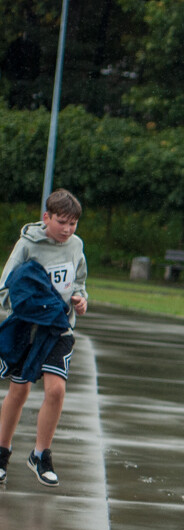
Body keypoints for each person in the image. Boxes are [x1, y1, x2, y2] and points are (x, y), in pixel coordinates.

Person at [0, 189, 89, 487]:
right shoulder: (27, 245)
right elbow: (6, 288)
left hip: (59, 328)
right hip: (27, 329)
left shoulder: (76, 245)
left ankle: (41, 454)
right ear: (46, 217)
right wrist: (29, 304)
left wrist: (80, 297)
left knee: (56, 391)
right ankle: (2, 453)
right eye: (62, 222)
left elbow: (79, 281)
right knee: (19, 390)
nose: (67, 230)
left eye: (73, 224)